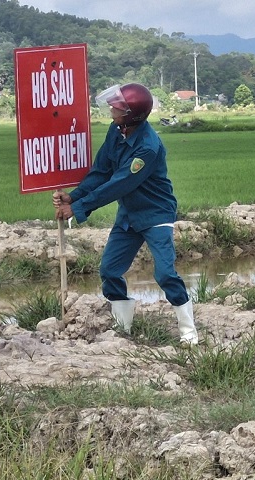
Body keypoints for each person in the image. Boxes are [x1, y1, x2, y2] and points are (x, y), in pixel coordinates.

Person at [53, 83, 198, 345]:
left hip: (155, 215)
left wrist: (77, 208)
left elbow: (120, 183)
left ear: (133, 114)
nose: (112, 109)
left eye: (118, 107)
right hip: (129, 216)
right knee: (109, 271)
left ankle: (189, 334)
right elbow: (101, 172)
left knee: (164, 274)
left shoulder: (148, 147)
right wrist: (74, 195)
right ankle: (123, 331)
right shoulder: (116, 131)